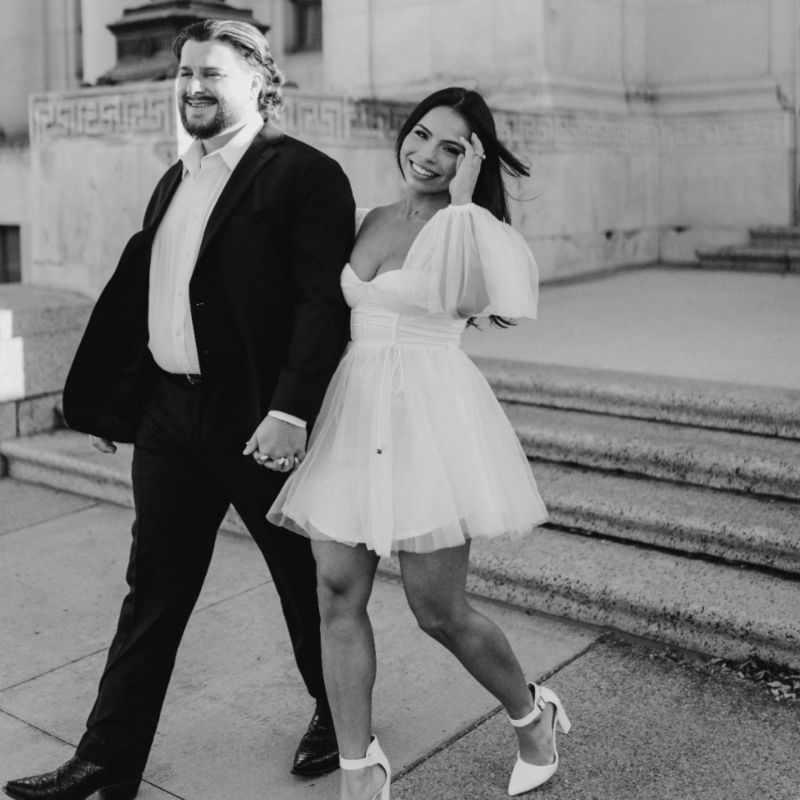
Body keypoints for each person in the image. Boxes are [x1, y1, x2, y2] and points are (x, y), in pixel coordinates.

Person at [3, 20, 354, 800]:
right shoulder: (175, 178)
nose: (193, 86)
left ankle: (339, 713)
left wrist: (291, 412)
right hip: (170, 417)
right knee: (152, 590)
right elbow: (158, 296)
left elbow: (321, 305)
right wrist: (117, 401)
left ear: (260, 80)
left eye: (212, 73)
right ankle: (106, 760)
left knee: (301, 579)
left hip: (256, 420)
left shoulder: (306, 174)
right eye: (185, 72)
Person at [267, 87, 572, 800]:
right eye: (423, 134)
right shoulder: (369, 218)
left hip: (428, 420)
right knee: (336, 593)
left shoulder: (472, 228)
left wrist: (463, 204)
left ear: (473, 161)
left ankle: (532, 715)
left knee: (438, 610)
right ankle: (359, 770)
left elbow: (462, 302)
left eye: (452, 148)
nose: (428, 155)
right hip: (355, 414)